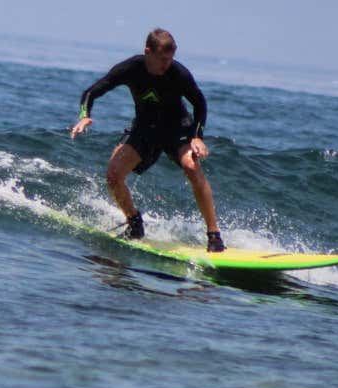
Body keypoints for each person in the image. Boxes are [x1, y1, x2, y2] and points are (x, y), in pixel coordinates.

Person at [70, 28, 225, 252]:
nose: (166, 64)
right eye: (162, 59)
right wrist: (85, 116)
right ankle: (135, 223)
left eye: (170, 59)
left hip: (177, 128)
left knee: (191, 165)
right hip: (145, 128)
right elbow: (92, 91)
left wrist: (197, 137)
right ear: (148, 52)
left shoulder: (179, 74)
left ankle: (214, 235)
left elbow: (200, 103)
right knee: (113, 175)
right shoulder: (131, 68)